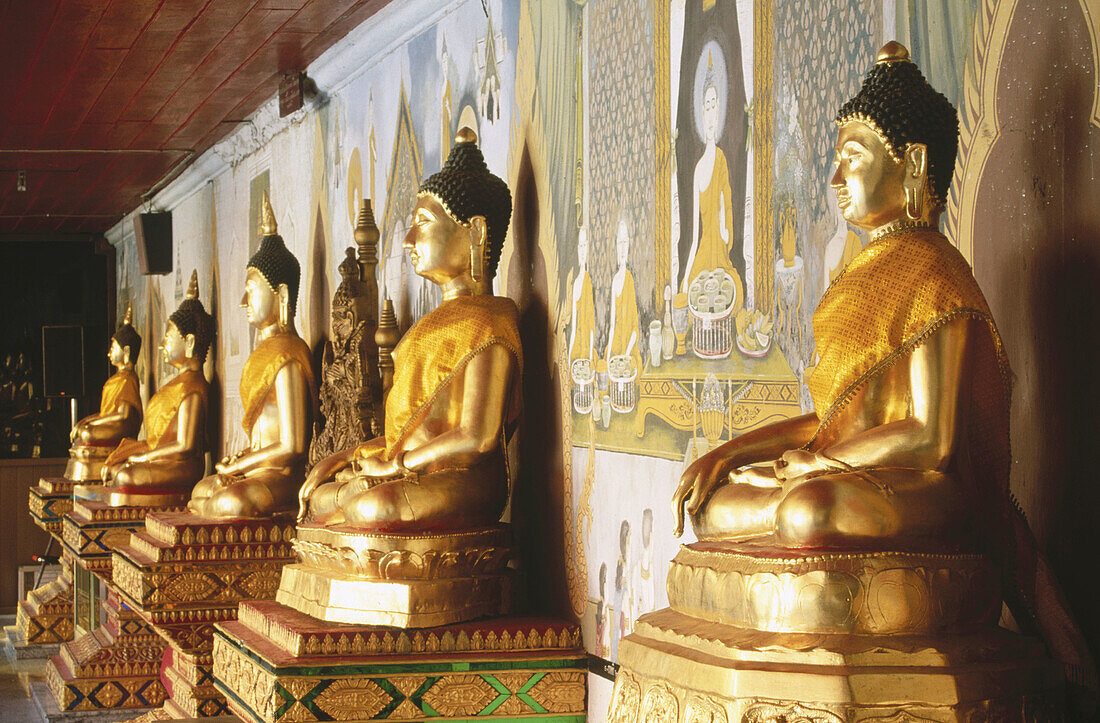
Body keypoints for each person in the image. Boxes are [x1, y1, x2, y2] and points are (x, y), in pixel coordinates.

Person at [298, 128, 520, 531]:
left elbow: (478, 438)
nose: (408, 238)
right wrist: (344, 457)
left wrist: (393, 467)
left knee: (370, 507)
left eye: (423, 222)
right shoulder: (429, 326)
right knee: (325, 498)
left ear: (477, 232)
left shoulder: (491, 320)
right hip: (407, 473)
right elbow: (403, 434)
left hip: (460, 481)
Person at [188, 192, 314, 518]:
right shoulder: (265, 353)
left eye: (252, 289)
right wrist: (240, 460)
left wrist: (241, 465)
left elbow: (293, 445)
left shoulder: (289, 354)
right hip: (258, 470)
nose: (244, 300)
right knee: (202, 493)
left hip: (283, 475)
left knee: (227, 502)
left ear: (281, 294)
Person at [100, 272, 211, 506]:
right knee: (120, 470)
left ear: (189, 343)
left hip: (183, 467)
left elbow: (185, 446)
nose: (162, 345)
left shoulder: (194, 386)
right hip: (163, 461)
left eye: (169, 338)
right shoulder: (176, 384)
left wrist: (143, 458)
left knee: (125, 474)